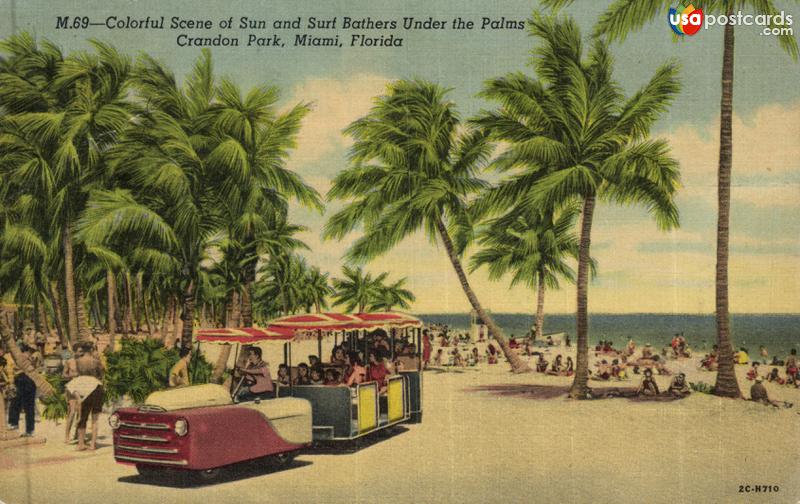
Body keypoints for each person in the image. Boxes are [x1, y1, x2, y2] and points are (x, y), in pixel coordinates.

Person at [66, 374, 104, 450]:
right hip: (100, 389)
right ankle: (92, 445)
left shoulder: (70, 387)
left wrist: (79, 417)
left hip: (92, 390)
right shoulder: (76, 381)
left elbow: (79, 401)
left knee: (82, 420)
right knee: (95, 420)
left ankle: (80, 445)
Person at [8, 344, 37, 437]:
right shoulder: (32, 357)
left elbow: (15, 369)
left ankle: (14, 423)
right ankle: (29, 430)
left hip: (23, 379)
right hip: (30, 380)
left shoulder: (21, 357)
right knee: (29, 407)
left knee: (16, 402)